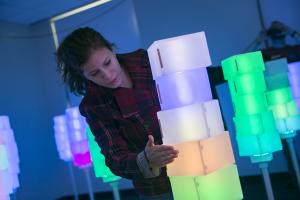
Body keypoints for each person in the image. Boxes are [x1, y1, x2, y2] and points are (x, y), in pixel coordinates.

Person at [56, 27, 178, 200]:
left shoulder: (144, 60)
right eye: (94, 73)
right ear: (83, 75)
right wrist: (146, 160)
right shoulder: (94, 105)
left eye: (107, 63)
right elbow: (115, 159)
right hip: (159, 188)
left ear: (112, 50)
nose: (107, 75)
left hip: (198, 159)